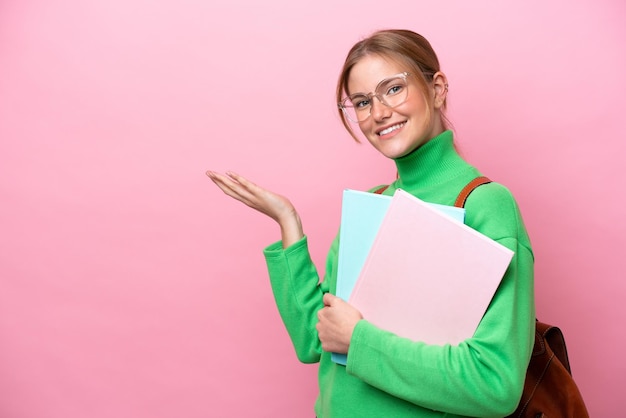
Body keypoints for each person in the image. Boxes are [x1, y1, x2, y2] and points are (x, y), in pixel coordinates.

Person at [206, 29, 534, 418]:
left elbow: (494, 383)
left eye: (393, 89)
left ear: (438, 88)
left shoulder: (485, 205)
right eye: (362, 101)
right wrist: (288, 222)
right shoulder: (372, 204)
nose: (378, 112)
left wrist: (358, 340)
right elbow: (315, 339)